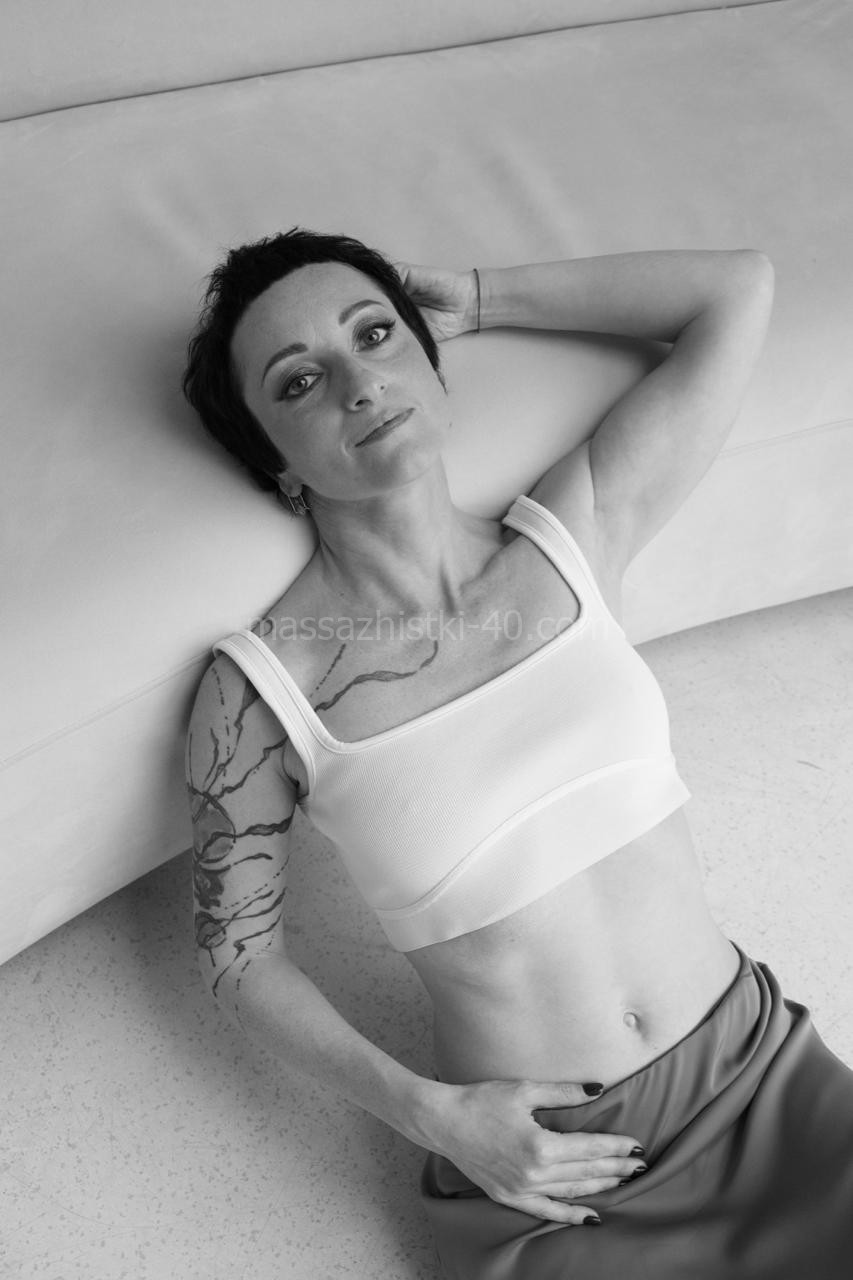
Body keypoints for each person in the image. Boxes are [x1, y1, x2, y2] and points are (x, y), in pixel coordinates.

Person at [182, 228, 853, 1278]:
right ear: (273, 457)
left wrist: (479, 296)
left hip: (762, 1080)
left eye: (376, 335)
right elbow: (237, 960)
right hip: (547, 1170)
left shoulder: (572, 529)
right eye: (300, 381)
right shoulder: (262, 690)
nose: (360, 384)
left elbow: (737, 289)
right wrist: (430, 1114)